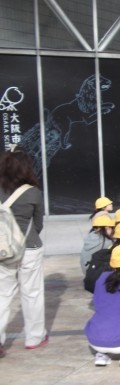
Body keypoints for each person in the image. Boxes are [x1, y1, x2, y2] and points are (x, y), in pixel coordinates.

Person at [0, 150, 47, 356]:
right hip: (30, 249)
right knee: (32, 293)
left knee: (2, 294)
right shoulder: (33, 192)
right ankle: (34, 337)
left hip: (3, 250)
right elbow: (38, 224)